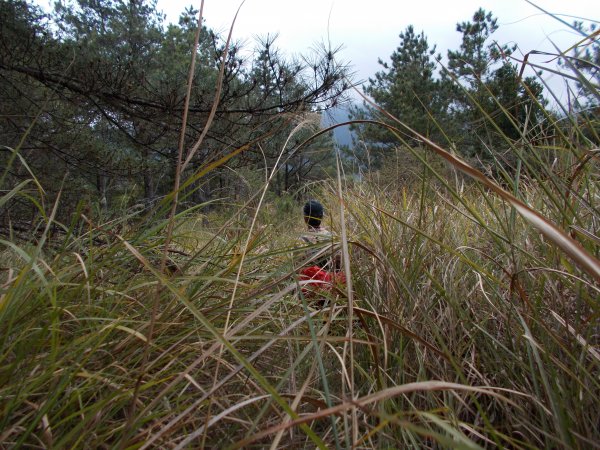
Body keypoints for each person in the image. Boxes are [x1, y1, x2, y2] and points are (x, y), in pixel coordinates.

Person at [298, 200, 345, 299]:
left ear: (305, 218)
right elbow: (339, 266)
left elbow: (297, 269)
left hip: (310, 291)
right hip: (331, 288)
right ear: (321, 217)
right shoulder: (333, 238)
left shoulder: (301, 241)